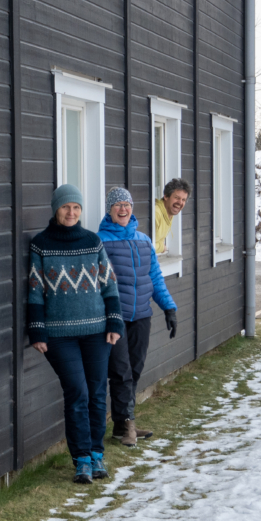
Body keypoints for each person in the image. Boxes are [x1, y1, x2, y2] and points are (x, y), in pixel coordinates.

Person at [28, 184, 123, 484]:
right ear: (56, 208)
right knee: (78, 392)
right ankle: (81, 458)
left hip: (97, 332)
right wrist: (37, 329)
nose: (71, 212)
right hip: (58, 336)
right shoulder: (41, 244)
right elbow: (34, 290)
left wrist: (115, 322)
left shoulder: (93, 241)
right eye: (66, 207)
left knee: (96, 392)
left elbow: (109, 284)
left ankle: (96, 454)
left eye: (77, 208)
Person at [98, 187, 178, 447]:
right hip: (115, 317)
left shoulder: (144, 240)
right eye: (117, 205)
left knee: (134, 369)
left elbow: (154, 277)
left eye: (127, 204)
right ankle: (128, 425)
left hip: (142, 314)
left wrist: (169, 307)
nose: (123, 209)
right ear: (109, 210)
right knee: (121, 372)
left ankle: (122, 424)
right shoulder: (100, 241)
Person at [154, 178, 191, 254]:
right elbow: (145, 246)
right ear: (166, 196)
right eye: (177, 198)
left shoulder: (168, 211)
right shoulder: (156, 213)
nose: (180, 202)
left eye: (183, 200)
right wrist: (162, 247)